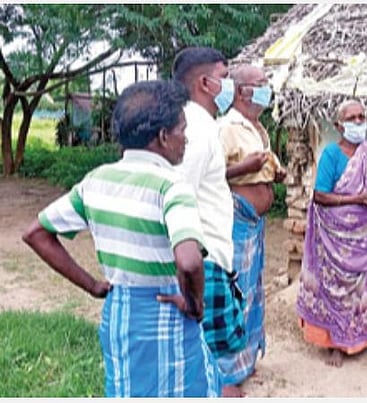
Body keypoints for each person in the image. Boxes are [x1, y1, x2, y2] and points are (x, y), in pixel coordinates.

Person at [22, 80, 219, 397]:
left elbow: (36, 233)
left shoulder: (95, 181)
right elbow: (189, 261)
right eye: (182, 129)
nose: (186, 138)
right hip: (166, 312)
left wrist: (92, 285)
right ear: (163, 137)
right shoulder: (172, 187)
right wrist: (195, 304)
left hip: (119, 316)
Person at [172, 47, 247, 394]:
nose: (231, 85)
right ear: (205, 83)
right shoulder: (196, 132)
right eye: (225, 77)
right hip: (204, 261)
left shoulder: (204, 126)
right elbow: (178, 198)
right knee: (217, 370)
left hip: (210, 258)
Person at [296, 99, 367, 368]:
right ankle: (335, 343)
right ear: (339, 125)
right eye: (352, 118)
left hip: (365, 234)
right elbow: (320, 196)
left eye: (362, 116)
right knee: (334, 288)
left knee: (361, 289)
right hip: (334, 237)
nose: (358, 122)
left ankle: (359, 338)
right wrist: (360, 198)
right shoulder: (331, 155)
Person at [216, 64, 287, 397]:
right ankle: (226, 376)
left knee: (253, 290)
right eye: (260, 83)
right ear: (242, 90)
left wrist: (273, 174)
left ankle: (245, 361)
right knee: (234, 294)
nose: (266, 88)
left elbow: (258, 169)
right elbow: (209, 174)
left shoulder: (257, 127)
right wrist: (245, 167)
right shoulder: (226, 128)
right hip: (235, 218)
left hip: (254, 223)